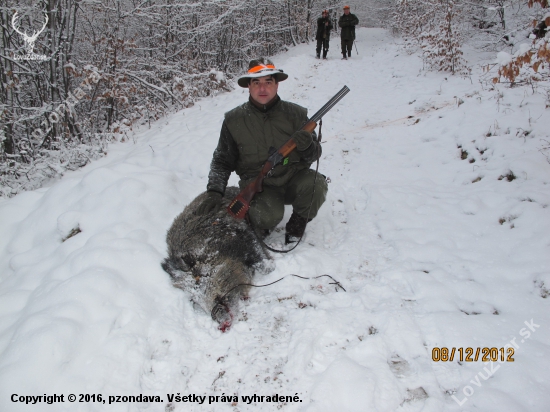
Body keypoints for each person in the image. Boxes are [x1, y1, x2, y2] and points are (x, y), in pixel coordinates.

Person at [196, 58, 328, 244]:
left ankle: (297, 226)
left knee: (317, 185)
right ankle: (260, 224)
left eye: (268, 82)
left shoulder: (296, 114)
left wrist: (307, 146)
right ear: (249, 86)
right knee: (267, 216)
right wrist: (214, 192)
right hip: (260, 185)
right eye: (256, 83)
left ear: (277, 85)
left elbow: (314, 155)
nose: (263, 89)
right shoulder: (234, 120)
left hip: (293, 178)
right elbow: (222, 160)